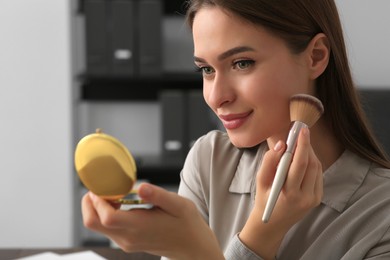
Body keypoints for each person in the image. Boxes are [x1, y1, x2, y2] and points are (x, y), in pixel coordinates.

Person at [81, 0, 390, 259]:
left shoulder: (382, 212)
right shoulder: (209, 159)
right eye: (206, 69)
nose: (216, 97)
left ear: (316, 56)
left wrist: (216, 246)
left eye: (242, 63)